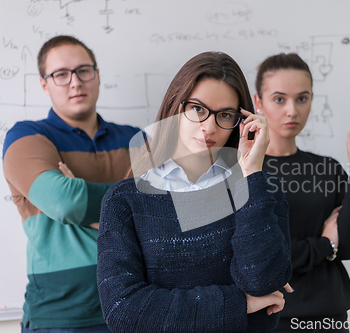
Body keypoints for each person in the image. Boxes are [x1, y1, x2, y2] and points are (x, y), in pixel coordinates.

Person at [96, 51, 293, 333]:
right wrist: (239, 304)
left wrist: (251, 173)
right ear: (176, 106)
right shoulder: (124, 200)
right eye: (198, 109)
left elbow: (262, 282)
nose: (209, 127)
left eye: (225, 115)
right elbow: (124, 312)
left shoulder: (261, 188)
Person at [2, 35, 141, 332]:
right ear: (44, 84)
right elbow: (66, 202)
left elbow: (166, 211)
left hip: (137, 306)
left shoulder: (136, 139)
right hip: (61, 316)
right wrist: (132, 200)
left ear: (98, 76)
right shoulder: (25, 137)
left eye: (83, 71)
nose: (75, 82)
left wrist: (85, 204)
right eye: (61, 74)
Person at [254, 53, 350, 332]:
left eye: (302, 98)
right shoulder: (247, 172)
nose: (292, 110)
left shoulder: (327, 168)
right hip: (268, 321)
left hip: (328, 318)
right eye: (279, 99)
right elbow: (264, 256)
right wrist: (325, 246)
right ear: (258, 103)